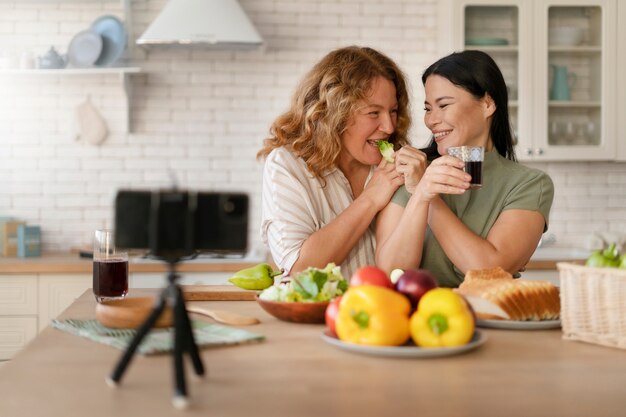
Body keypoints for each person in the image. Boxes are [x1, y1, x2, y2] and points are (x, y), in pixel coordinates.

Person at [375, 50, 554, 287]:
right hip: (414, 319)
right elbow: (391, 273)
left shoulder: (529, 184)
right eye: (428, 108)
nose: (431, 120)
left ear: (488, 104)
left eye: (444, 105)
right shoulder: (411, 171)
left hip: (489, 320)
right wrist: (420, 194)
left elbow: (489, 270)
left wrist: (430, 196)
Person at [258, 46, 425, 278]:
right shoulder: (287, 166)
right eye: (373, 113)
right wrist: (370, 199)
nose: (389, 127)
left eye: (393, 111)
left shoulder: (398, 168)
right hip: (322, 313)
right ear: (334, 114)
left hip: (386, 311)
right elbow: (300, 269)